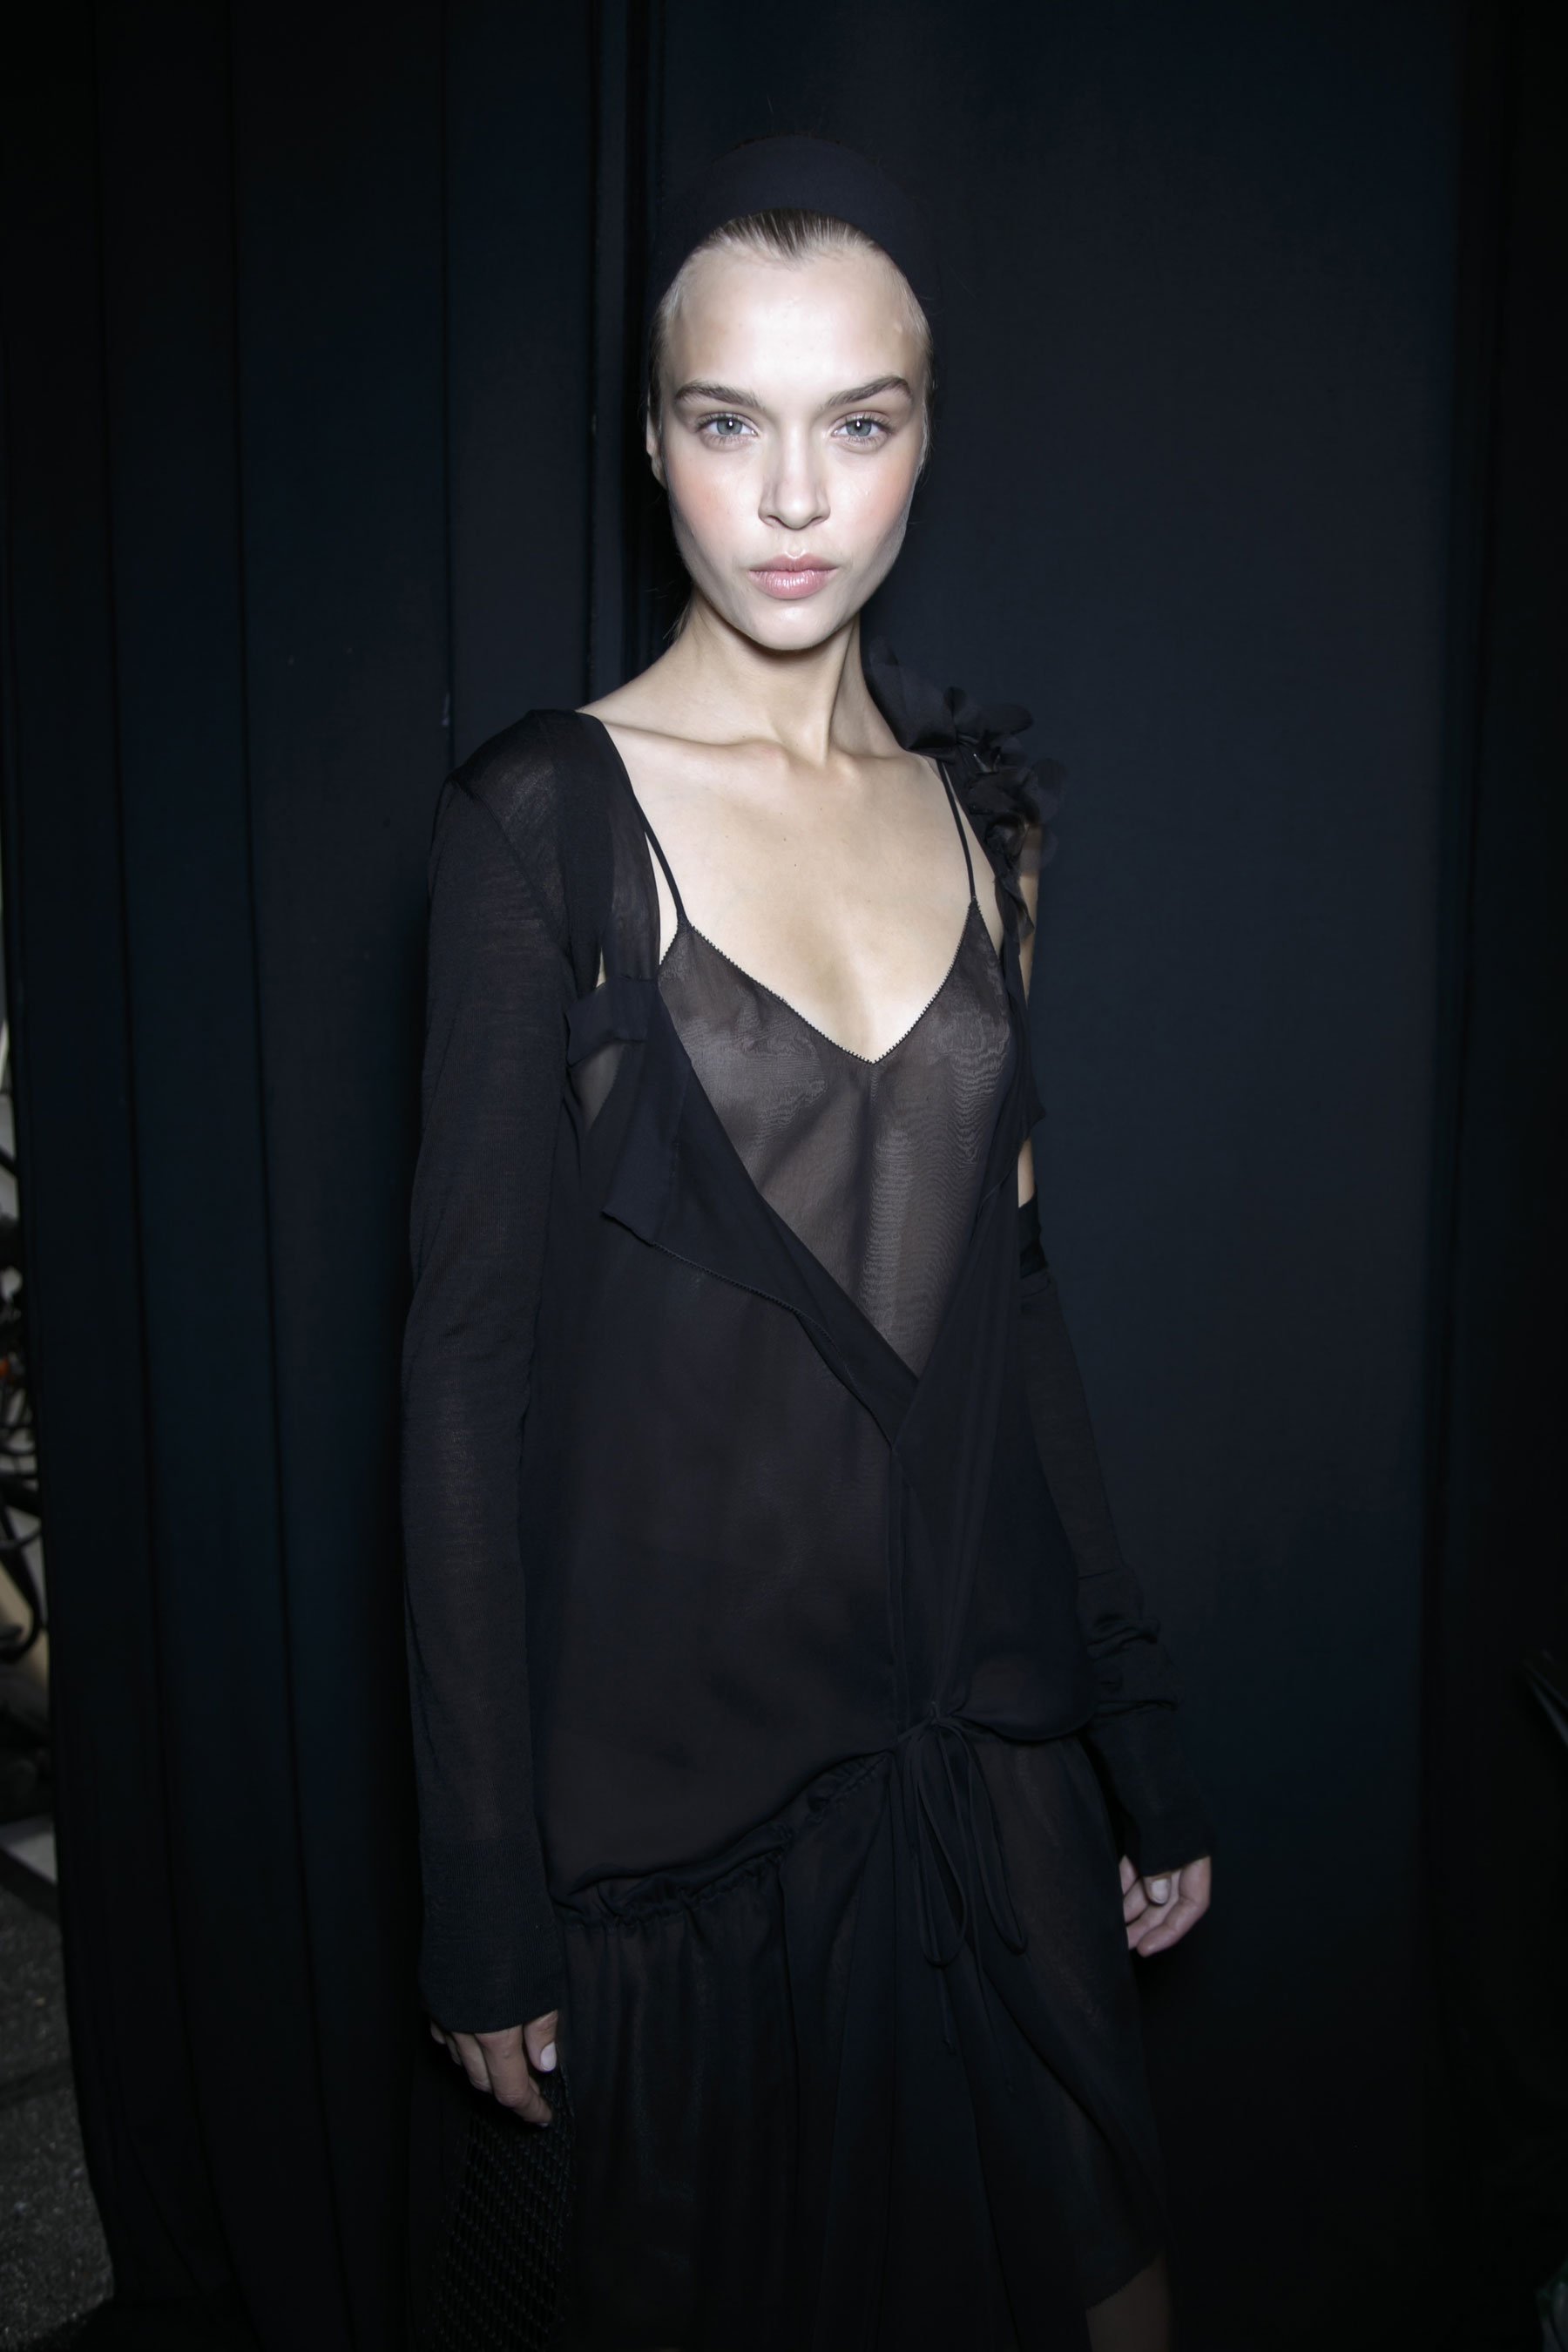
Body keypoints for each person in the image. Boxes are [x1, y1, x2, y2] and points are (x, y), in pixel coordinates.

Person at [401, 133, 1215, 2352]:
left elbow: (1011, 1308)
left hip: (983, 1754)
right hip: (685, 1820)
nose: (790, 498)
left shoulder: (984, 823)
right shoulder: (541, 826)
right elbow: (460, 1387)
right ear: (648, 440)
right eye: (725, 420)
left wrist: (1134, 1723)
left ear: (927, 438)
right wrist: (479, 1890)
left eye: (858, 423)